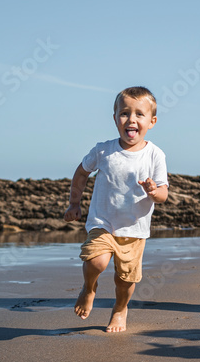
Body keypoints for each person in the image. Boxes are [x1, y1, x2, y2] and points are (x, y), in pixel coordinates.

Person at [64, 86, 169, 333]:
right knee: (97, 261)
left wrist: (154, 191)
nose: (131, 119)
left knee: (125, 280)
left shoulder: (155, 155)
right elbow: (81, 173)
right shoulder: (103, 150)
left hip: (134, 229)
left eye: (139, 114)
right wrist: (74, 203)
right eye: (124, 113)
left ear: (152, 121)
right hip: (103, 222)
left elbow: (164, 193)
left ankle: (120, 309)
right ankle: (89, 288)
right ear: (115, 119)